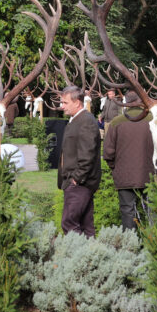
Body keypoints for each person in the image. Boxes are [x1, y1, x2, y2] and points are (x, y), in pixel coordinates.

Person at [102, 91, 155, 230]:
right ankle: (155, 245)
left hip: (124, 175)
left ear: (126, 102)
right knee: (151, 211)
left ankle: (130, 246)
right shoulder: (153, 120)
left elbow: (108, 152)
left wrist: (116, 168)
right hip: (149, 174)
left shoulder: (116, 122)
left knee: (127, 211)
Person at [57, 85, 101, 237]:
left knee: (69, 223)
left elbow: (87, 154)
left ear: (77, 102)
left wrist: (76, 179)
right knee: (86, 225)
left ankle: (77, 257)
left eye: (65, 103)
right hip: (78, 182)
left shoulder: (86, 121)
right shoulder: (77, 120)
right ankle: (91, 258)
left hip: (80, 183)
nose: (61, 106)